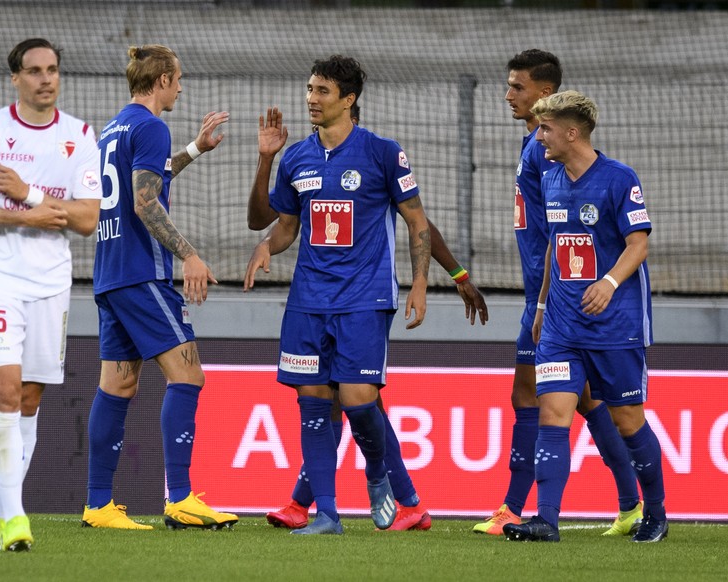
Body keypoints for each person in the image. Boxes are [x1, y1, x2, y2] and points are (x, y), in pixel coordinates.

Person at [247, 106, 488, 532]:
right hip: (310, 302)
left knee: (358, 401)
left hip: (364, 299)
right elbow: (276, 223)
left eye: (322, 91)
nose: (311, 100)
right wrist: (267, 241)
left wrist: (437, 279)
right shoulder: (299, 157)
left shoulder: (381, 153)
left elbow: (419, 220)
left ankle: (382, 482)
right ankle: (324, 512)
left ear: (349, 102)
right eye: (310, 90)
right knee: (319, 405)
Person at [474, 49, 643, 537]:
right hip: (548, 292)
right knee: (584, 402)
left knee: (529, 394)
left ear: (545, 94)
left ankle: (513, 508)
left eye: (517, 87)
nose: (509, 95)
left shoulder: (541, 151)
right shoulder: (537, 146)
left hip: (554, 296)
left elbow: (562, 234)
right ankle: (630, 501)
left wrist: (545, 300)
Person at [0, 38, 102, 552]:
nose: (45, 79)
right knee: (6, 390)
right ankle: (15, 518)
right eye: (33, 71)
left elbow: (87, 219)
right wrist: (23, 216)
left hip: (50, 282)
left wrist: (31, 196)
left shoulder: (79, 136)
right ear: (15, 78)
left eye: (52, 69)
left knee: (30, 398)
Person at [81, 44, 238, 531]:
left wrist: (194, 149)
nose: (182, 87)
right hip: (140, 273)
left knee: (118, 384)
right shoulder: (151, 125)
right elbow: (145, 199)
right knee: (188, 376)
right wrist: (188, 254)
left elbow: (147, 177)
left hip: (109, 274)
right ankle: (181, 499)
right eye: (179, 79)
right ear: (164, 79)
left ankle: (98, 505)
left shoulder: (116, 126)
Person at [503, 90, 667, 543]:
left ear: (572, 132)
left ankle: (655, 512)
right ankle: (546, 520)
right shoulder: (551, 178)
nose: (539, 138)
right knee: (553, 413)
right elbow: (556, 248)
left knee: (627, 421)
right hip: (560, 324)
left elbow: (639, 244)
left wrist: (609, 283)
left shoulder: (618, 178)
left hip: (614, 324)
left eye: (546, 129)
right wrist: (539, 307)